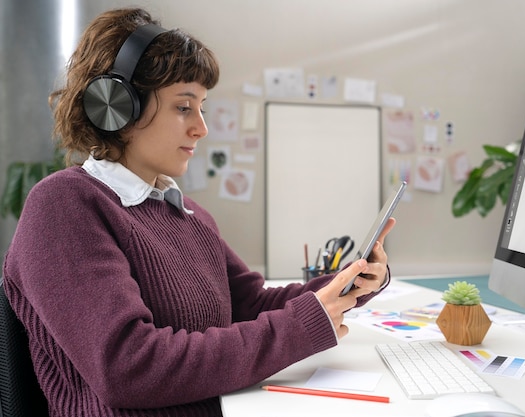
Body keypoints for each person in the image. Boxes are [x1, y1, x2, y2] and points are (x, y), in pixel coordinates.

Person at [1, 7, 396, 417]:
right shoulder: (65, 206)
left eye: (202, 107)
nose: (201, 128)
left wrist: (350, 285)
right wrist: (299, 328)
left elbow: (253, 306)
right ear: (117, 108)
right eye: (183, 107)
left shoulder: (188, 214)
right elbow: (129, 369)